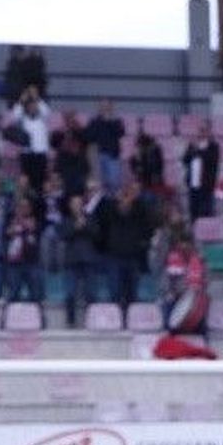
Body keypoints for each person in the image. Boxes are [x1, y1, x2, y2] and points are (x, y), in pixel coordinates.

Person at [61, 193, 100, 328]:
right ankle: (70, 322)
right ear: (70, 206)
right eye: (74, 204)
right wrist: (75, 227)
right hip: (71, 261)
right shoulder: (66, 220)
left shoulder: (90, 218)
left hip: (88, 259)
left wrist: (85, 226)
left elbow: (97, 234)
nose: (77, 206)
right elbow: (63, 235)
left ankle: (92, 321)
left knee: (91, 293)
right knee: (70, 293)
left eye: (79, 203)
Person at [181, 120, 220, 221]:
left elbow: (210, 160)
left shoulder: (213, 147)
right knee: (193, 213)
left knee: (206, 214)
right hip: (193, 185)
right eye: (200, 130)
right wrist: (192, 149)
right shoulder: (192, 145)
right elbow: (185, 160)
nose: (202, 133)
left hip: (206, 186)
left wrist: (197, 150)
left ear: (209, 132)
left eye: (204, 130)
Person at [83, 99, 125, 193]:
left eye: (106, 106)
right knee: (100, 184)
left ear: (111, 107)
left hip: (113, 156)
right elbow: (88, 136)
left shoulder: (117, 120)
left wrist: (110, 121)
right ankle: (104, 203)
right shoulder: (94, 121)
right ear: (99, 108)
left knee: (113, 182)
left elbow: (121, 133)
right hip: (97, 156)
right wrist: (97, 122)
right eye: (102, 106)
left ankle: (112, 203)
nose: (104, 108)